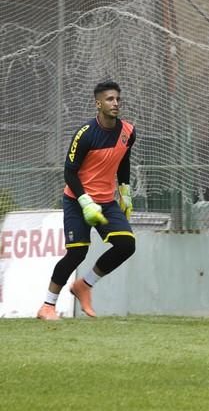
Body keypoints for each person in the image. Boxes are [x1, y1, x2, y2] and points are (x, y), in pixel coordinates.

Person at [36, 81, 136, 320]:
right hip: (77, 200)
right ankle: (47, 306)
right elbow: (69, 172)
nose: (115, 103)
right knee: (76, 254)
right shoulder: (85, 134)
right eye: (110, 99)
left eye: (118, 99)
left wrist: (125, 192)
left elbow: (123, 161)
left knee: (126, 245)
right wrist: (85, 202)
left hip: (106, 201)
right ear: (98, 103)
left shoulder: (128, 132)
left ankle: (85, 285)